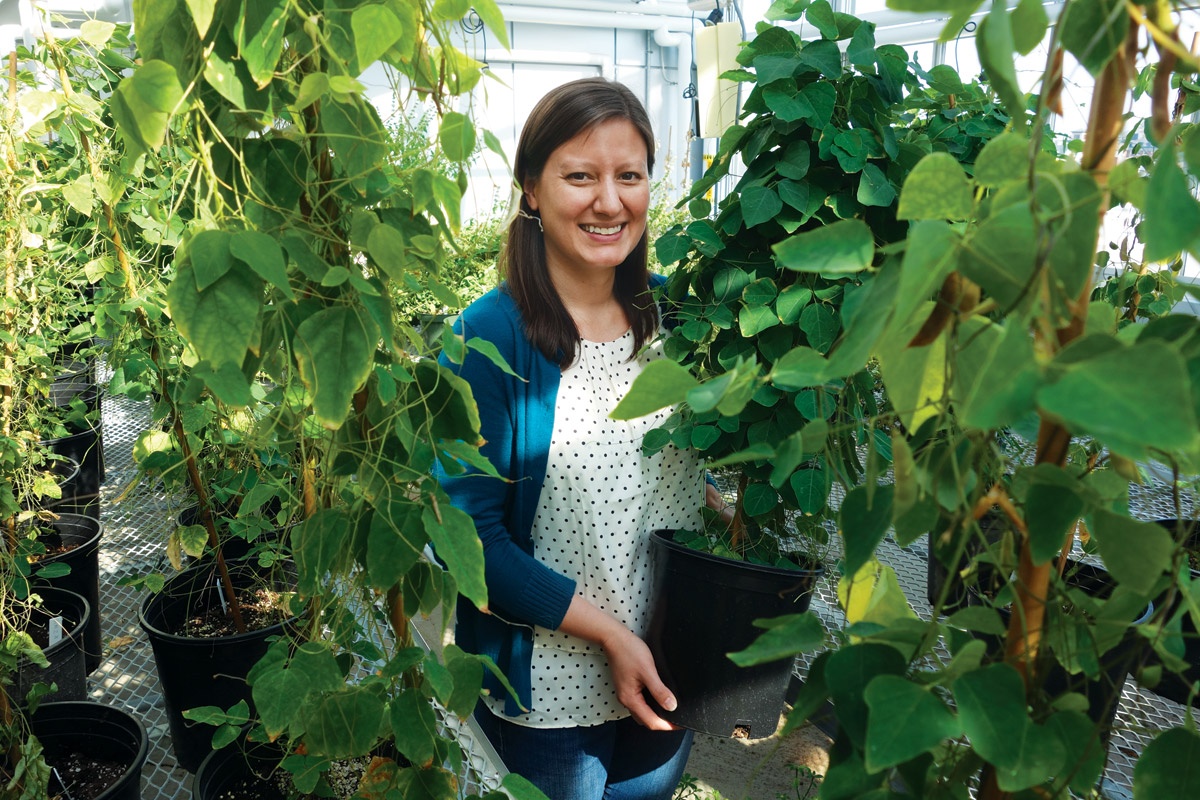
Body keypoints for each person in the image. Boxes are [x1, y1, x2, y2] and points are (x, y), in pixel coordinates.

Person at [436, 77, 731, 800]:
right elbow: (467, 540)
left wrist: (722, 509)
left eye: (629, 176)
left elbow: (658, 473)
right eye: (580, 176)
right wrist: (609, 635)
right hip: (550, 694)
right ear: (531, 190)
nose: (609, 201)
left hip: (667, 663)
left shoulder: (677, 319)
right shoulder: (487, 340)